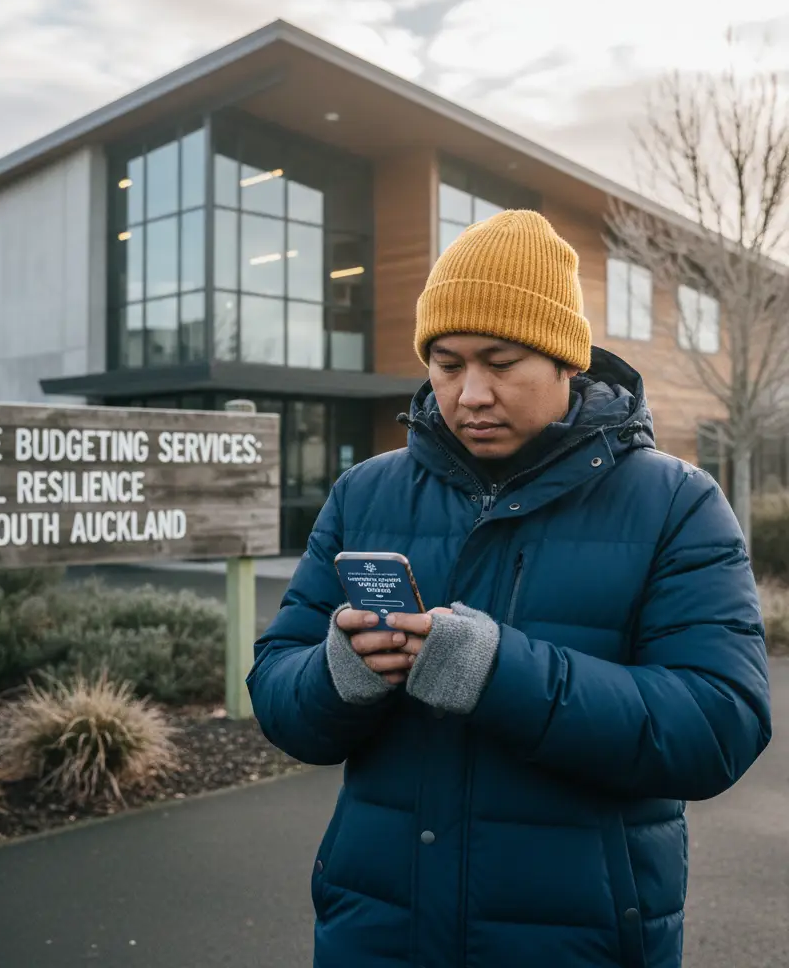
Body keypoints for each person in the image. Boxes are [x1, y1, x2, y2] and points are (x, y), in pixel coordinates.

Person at [246, 209, 772, 968]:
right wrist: (338, 674)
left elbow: (718, 727)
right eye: (448, 363)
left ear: (565, 361)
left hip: (581, 941)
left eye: (501, 361)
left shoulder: (676, 503)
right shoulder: (365, 494)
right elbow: (276, 692)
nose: (471, 394)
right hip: (378, 933)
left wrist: (501, 674)